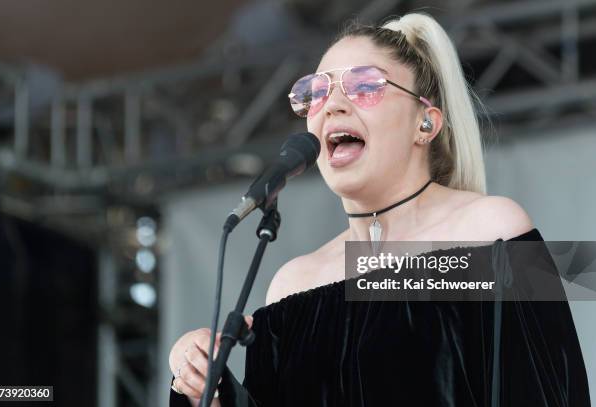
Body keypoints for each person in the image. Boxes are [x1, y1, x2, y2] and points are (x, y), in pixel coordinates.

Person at [169, 13, 590, 406]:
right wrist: (202, 383)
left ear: (425, 122)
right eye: (316, 92)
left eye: (365, 86)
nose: (332, 104)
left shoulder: (488, 229)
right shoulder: (293, 284)